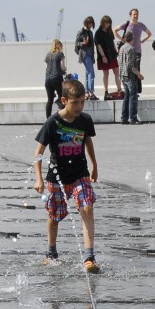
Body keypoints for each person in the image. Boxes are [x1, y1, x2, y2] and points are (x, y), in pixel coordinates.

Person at [33, 78, 100, 273]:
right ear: (64, 100)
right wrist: (38, 178)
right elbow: (38, 153)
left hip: (80, 174)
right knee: (55, 215)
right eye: (75, 102)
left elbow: (88, 142)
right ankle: (51, 252)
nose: (79, 106)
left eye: (82, 102)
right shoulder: (52, 123)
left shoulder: (85, 120)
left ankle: (89, 257)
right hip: (57, 178)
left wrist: (94, 165)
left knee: (87, 207)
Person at [117, 34, 144, 125]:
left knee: (126, 97)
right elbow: (130, 65)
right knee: (133, 97)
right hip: (130, 76)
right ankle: (133, 118)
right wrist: (138, 74)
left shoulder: (122, 48)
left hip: (122, 75)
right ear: (132, 39)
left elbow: (121, 63)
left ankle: (124, 118)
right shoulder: (131, 49)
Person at [94, 15, 121, 100]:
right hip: (104, 55)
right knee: (106, 73)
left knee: (116, 71)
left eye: (109, 23)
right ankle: (106, 91)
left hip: (112, 54)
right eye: (106, 23)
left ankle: (119, 89)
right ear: (103, 23)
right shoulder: (98, 33)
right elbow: (98, 45)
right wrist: (103, 56)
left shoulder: (110, 32)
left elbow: (112, 42)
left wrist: (116, 50)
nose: (108, 25)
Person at [73, 16, 98, 100]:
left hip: (90, 53)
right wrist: (83, 43)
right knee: (91, 72)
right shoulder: (81, 31)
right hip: (84, 53)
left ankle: (87, 92)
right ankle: (91, 92)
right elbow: (76, 43)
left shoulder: (90, 32)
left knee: (88, 72)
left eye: (91, 23)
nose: (90, 25)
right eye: (89, 23)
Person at [43, 39, 67, 118]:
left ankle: (48, 118)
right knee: (61, 98)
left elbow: (46, 67)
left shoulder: (47, 55)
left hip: (48, 80)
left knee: (50, 100)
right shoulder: (60, 54)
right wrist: (64, 70)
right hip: (57, 78)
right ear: (59, 46)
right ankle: (62, 117)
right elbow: (62, 67)